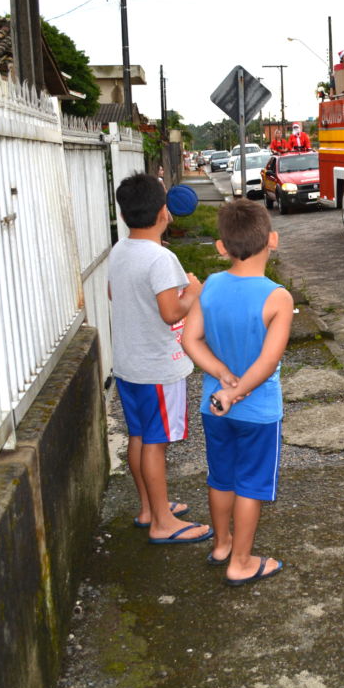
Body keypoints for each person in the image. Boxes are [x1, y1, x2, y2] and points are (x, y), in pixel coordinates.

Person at [181, 200, 294, 585]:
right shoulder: (277, 297)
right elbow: (266, 362)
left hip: (213, 406)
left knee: (221, 476)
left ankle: (222, 545)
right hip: (258, 410)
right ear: (272, 240)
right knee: (251, 484)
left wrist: (222, 377)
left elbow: (190, 339)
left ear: (221, 247)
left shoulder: (210, 286)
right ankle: (241, 562)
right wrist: (239, 389)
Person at [108, 173, 213, 546]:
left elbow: (111, 292)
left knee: (139, 435)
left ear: (124, 215)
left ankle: (150, 508)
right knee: (156, 442)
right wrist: (194, 291)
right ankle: (163, 522)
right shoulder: (161, 257)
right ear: (163, 212)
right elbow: (172, 313)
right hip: (158, 368)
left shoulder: (119, 250)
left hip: (129, 365)